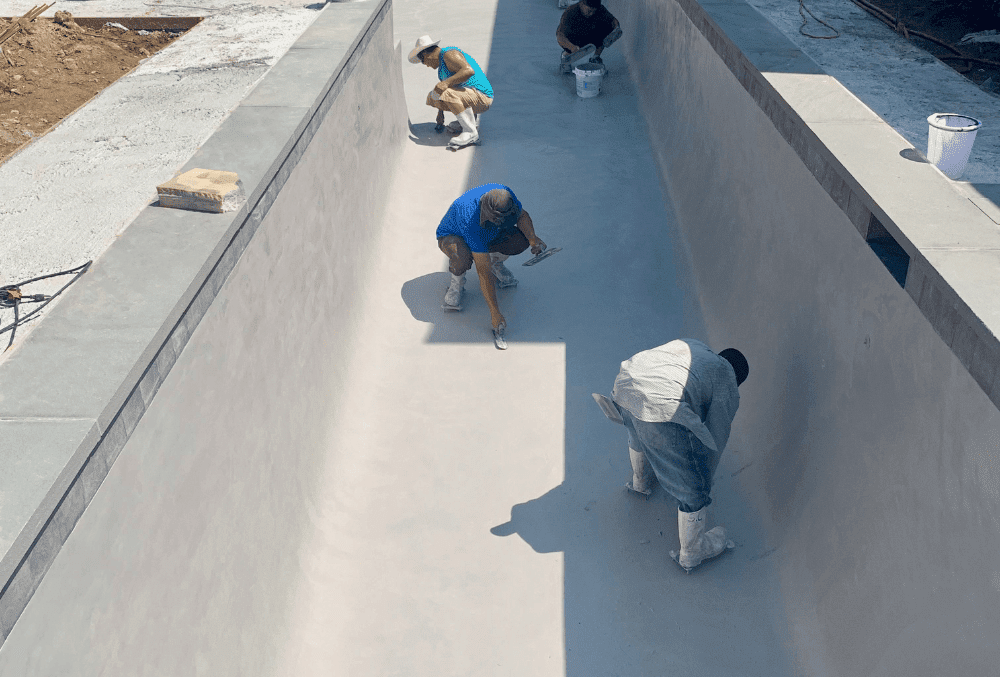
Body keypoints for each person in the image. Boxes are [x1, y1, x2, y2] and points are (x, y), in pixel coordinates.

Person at [607, 339, 749, 572]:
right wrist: (702, 480)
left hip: (625, 382)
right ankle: (693, 552)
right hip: (659, 403)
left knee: (639, 426)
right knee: (694, 486)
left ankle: (640, 481)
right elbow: (716, 437)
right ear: (738, 380)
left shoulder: (697, 349)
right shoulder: (727, 380)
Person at [436, 184, 547, 332]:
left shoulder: (506, 195)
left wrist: (533, 239)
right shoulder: (470, 219)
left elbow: (522, 215)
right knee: (462, 258)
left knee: (520, 240)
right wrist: (495, 312)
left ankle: (496, 261)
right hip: (453, 236)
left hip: (489, 232)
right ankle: (456, 285)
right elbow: (483, 271)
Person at [408, 35, 494, 149]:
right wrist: (440, 115)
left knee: (446, 92)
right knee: (433, 96)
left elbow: (468, 71)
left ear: (426, 54)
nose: (427, 65)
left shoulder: (449, 54)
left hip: (483, 97)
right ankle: (469, 122)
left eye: (424, 61)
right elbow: (444, 91)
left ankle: (470, 132)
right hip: (472, 97)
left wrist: (445, 83)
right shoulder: (441, 72)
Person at [556, 0, 622, 74]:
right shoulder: (570, 12)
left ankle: (595, 57)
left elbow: (613, 21)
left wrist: (616, 29)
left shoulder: (600, 9)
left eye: (593, 11)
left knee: (606, 25)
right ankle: (565, 59)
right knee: (567, 37)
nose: (591, 14)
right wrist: (572, 47)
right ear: (581, 4)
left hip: (589, 33)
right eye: (589, 10)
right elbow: (560, 36)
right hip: (574, 37)